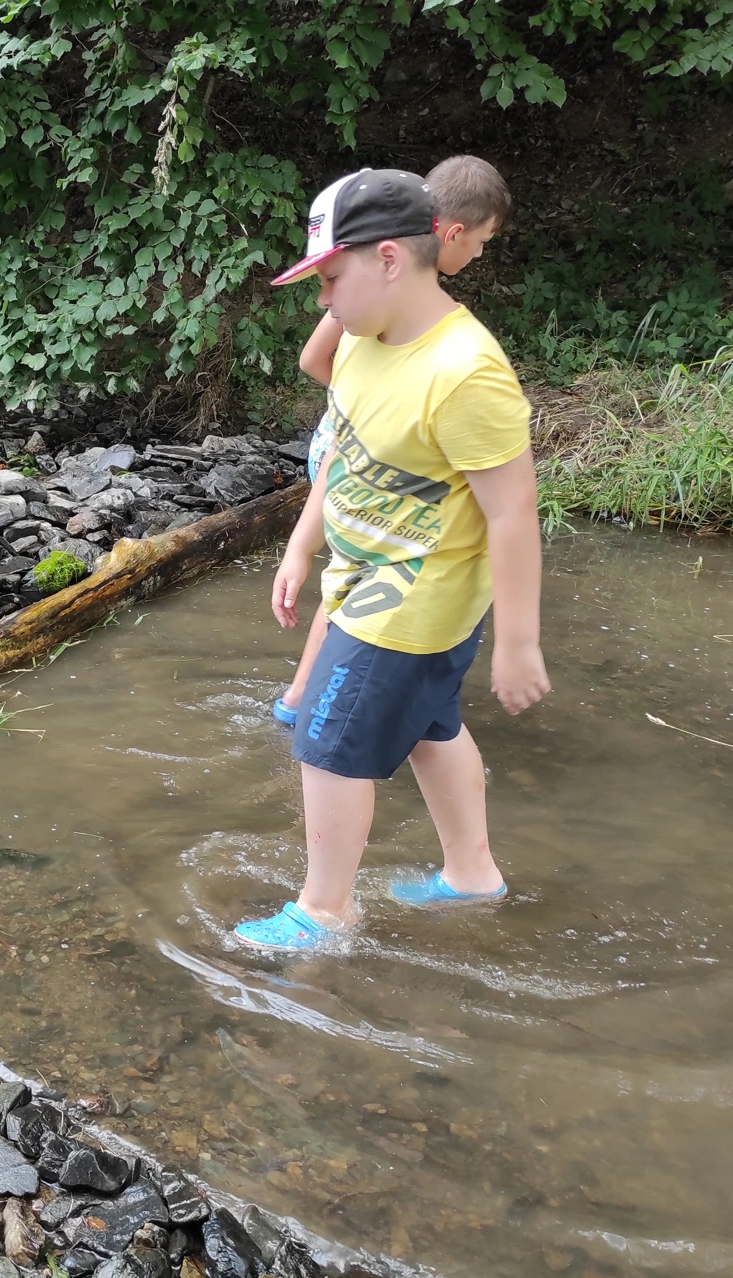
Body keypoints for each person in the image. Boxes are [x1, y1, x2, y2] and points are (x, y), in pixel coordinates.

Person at [235, 168, 550, 949]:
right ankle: (472, 876)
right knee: (431, 730)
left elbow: (512, 512)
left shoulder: (466, 371)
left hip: (414, 598)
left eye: (330, 279)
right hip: (364, 578)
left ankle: (324, 911)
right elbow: (344, 458)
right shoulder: (359, 343)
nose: (322, 300)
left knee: (324, 743)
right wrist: (301, 547)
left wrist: (518, 643)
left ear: (386, 260)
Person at [273, 155, 512, 726]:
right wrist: (384, 401)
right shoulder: (374, 292)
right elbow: (315, 358)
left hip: (361, 453)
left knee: (355, 576)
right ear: (450, 233)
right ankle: (304, 700)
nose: (479, 255)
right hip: (357, 450)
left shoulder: (411, 309)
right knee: (357, 579)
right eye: (480, 242)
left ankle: (308, 698)